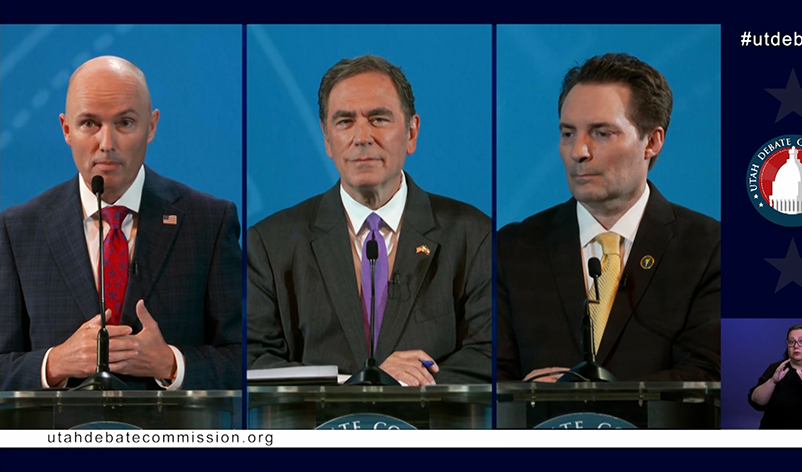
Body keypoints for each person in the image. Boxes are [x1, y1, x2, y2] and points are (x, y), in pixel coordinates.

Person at [0, 56, 242, 391]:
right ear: (66, 129)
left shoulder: (210, 222)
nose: (107, 143)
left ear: (152, 126)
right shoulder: (18, 229)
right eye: (89, 124)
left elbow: (244, 358)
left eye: (125, 123)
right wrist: (53, 364)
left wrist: (172, 364)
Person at [247, 55, 491, 386]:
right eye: (345, 122)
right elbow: (253, 360)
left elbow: (488, 353)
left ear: (411, 132)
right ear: (327, 139)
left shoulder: (472, 234)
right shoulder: (271, 243)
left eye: (378, 119)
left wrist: (408, 383)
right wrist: (355, 382)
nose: (362, 136)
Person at [496, 53, 720, 382]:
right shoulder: (514, 248)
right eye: (568, 133)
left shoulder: (708, 248)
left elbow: (706, 373)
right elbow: (492, 376)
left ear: (652, 142)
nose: (578, 152)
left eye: (602, 133)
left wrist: (587, 397)